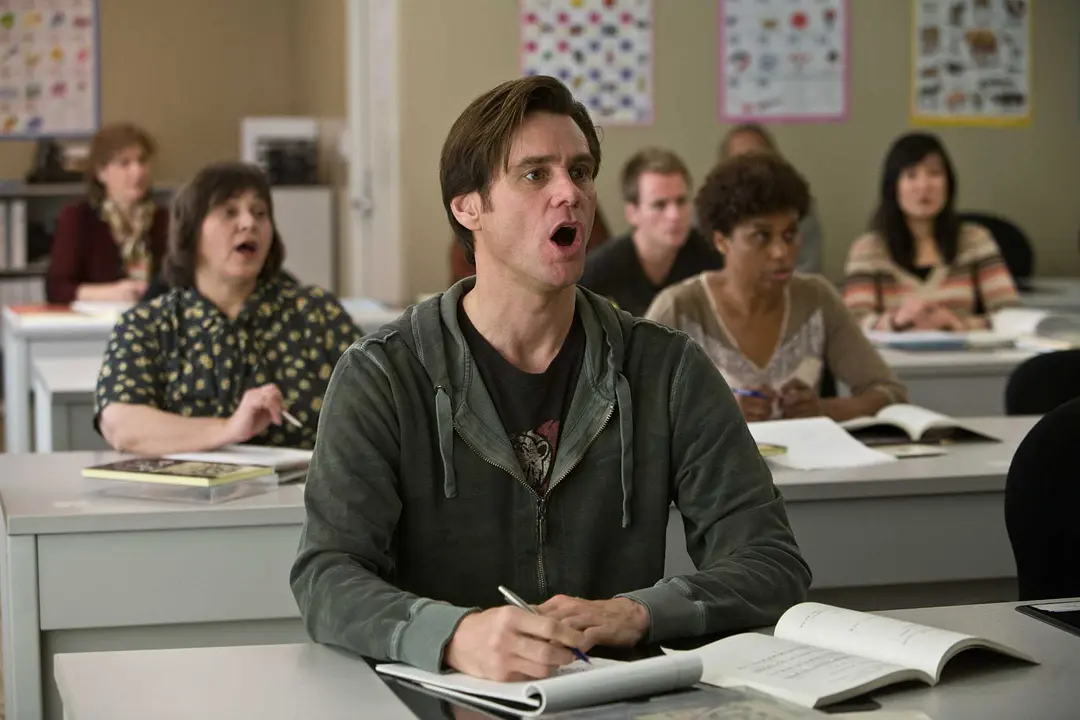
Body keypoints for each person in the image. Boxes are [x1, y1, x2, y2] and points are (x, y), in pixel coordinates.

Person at [291, 76, 810, 682]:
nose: (571, 193)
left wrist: (639, 613)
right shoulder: (382, 374)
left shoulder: (666, 368)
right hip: (442, 696)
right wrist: (453, 635)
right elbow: (327, 577)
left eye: (581, 172)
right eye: (535, 174)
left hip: (617, 694)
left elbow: (771, 563)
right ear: (468, 207)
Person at [94, 162, 362, 455]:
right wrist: (229, 428)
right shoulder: (148, 324)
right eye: (229, 212)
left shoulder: (316, 312)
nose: (249, 223)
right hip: (189, 486)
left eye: (260, 213)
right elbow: (122, 426)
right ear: (192, 231)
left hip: (306, 484)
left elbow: (378, 401)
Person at [646, 153, 905, 423]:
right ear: (722, 241)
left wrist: (824, 410)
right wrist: (715, 413)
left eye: (790, 234)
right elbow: (632, 411)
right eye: (762, 236)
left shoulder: (817, 299)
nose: (781, 252)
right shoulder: (679, 308)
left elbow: (890, 391)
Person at [843, 132, 1019, 331]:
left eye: (934, 174)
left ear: (948, 184)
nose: (924, 186)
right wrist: (897, 321)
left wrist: (957, 324)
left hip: (964, 350)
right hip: (890, 352)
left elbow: (1010, 316)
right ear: (893, 187)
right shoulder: (868, 249)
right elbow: (853, 323)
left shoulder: (975, 240)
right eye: (911, 175)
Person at [577, 148, 722, 316]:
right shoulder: (600, 270)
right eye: (659, 205)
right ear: (632, 213)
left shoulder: (712, 257)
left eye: (681, 201)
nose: (675, 215)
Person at [47, 122, 169, 304]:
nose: (137, 172)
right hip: (97, 319)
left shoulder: (163, 220)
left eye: (142, 161)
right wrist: (109, 293)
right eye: (124, 163)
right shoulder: (79, 218)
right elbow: (57, 288)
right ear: (101, 172)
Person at [717, 124, 823, 274]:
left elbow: (807, 270)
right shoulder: (707, 214)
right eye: (739, 161)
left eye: (756, 158)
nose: (749, 168)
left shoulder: (799, 208)